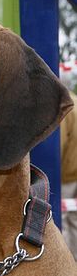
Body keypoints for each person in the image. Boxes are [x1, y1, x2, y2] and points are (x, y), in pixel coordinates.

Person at [61, 91, 77, 260]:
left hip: (66, 174)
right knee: (74, 219)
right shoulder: (74, 101)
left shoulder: (65, 104)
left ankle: (65, 261)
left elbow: (60, 142)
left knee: (62, 218)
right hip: (74, 171)